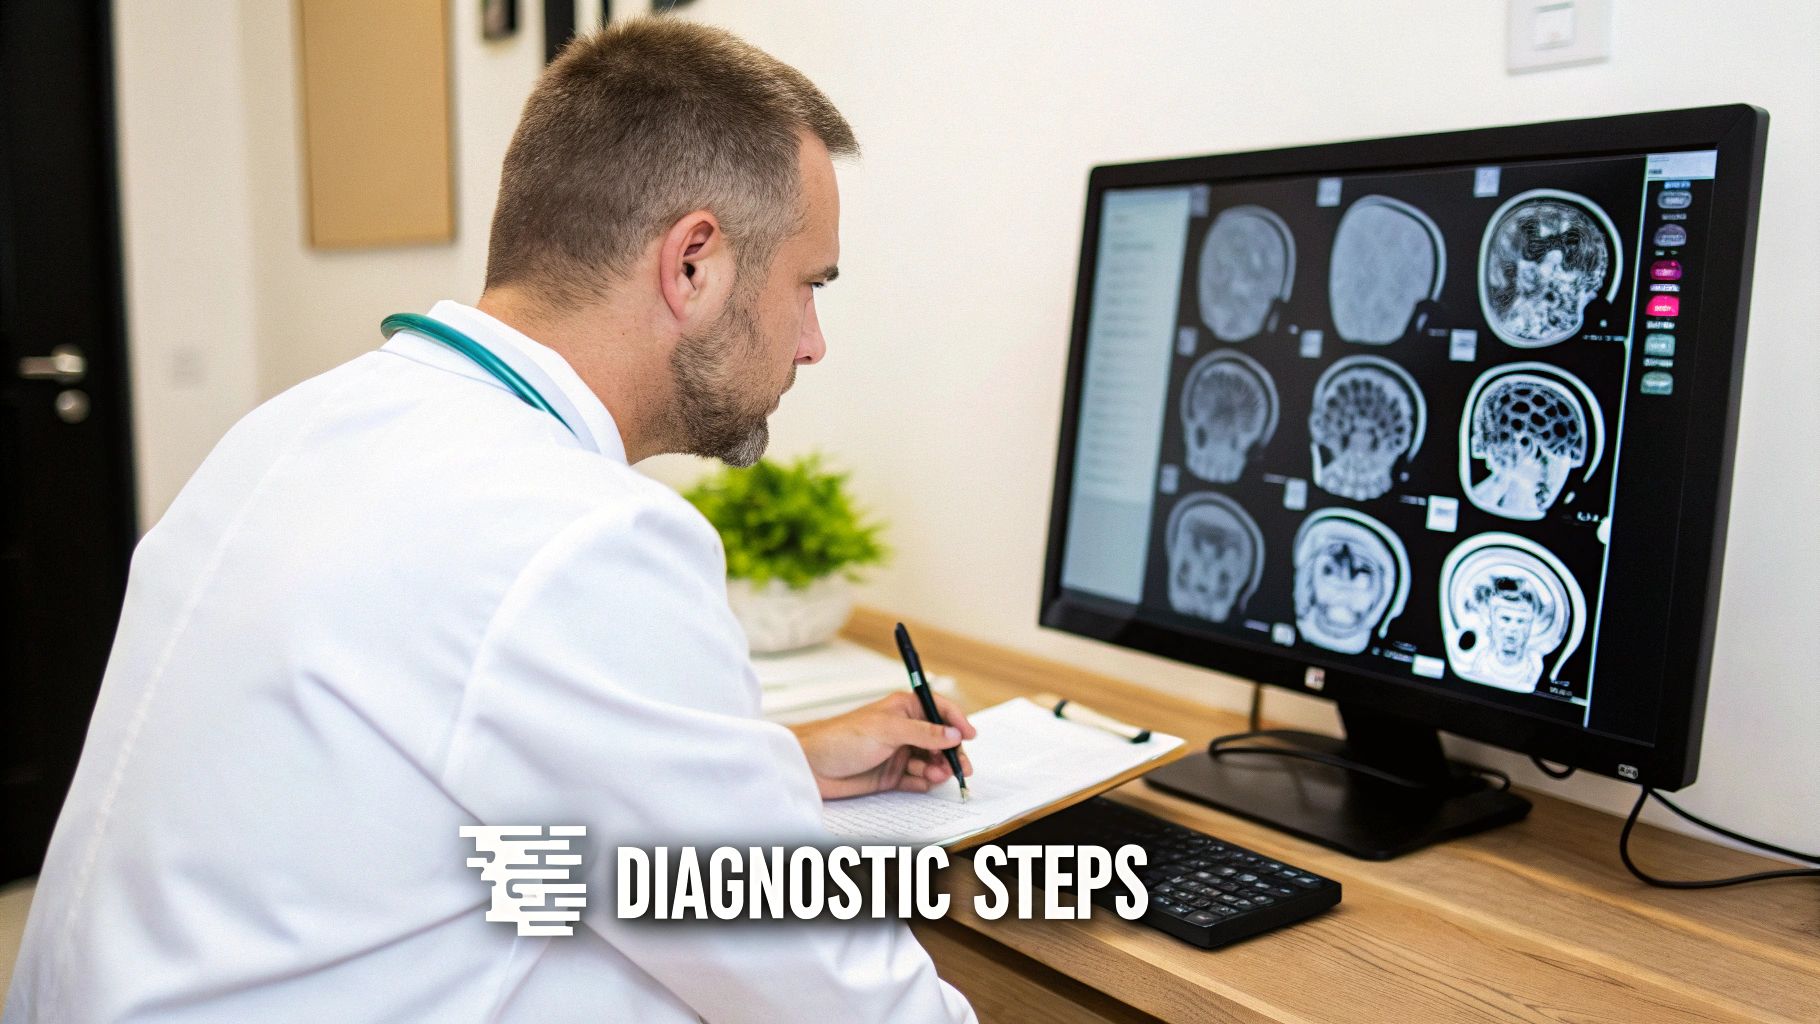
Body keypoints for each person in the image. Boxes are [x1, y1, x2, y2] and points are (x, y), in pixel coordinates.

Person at [5, 19, 979, 1023]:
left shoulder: (297, 429)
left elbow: (447, 745)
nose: (812, 343)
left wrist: (775, 767)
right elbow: (843, 994)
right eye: (808, 286)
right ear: (693, 263)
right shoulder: (578, 538)